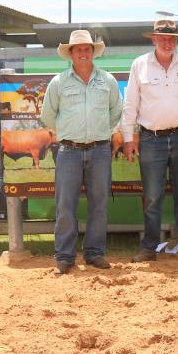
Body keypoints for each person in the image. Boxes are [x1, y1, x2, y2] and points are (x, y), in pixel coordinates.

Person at [122, 19, 178, 264]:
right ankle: (149, 246)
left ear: (176, 41)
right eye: (163, 38)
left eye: (171, 38)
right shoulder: (139, 65)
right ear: (154, 39)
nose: (167, 42)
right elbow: (131, 104)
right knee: (152, 197)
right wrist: (129, 137)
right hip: (150, 138)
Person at [39, 29, 123, 275]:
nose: (84, 53)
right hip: (69, 151)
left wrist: (101, 133)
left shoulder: (107, 80)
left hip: (100, 150)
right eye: (79, 50)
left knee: (99, 204)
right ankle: (65, 256)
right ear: (71, 54)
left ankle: (95, 253)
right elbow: (48, 115)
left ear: (93, 52)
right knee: (65, 205)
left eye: (87, 49)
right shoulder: (59, 82)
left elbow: (116, 112)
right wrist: (67, 132)